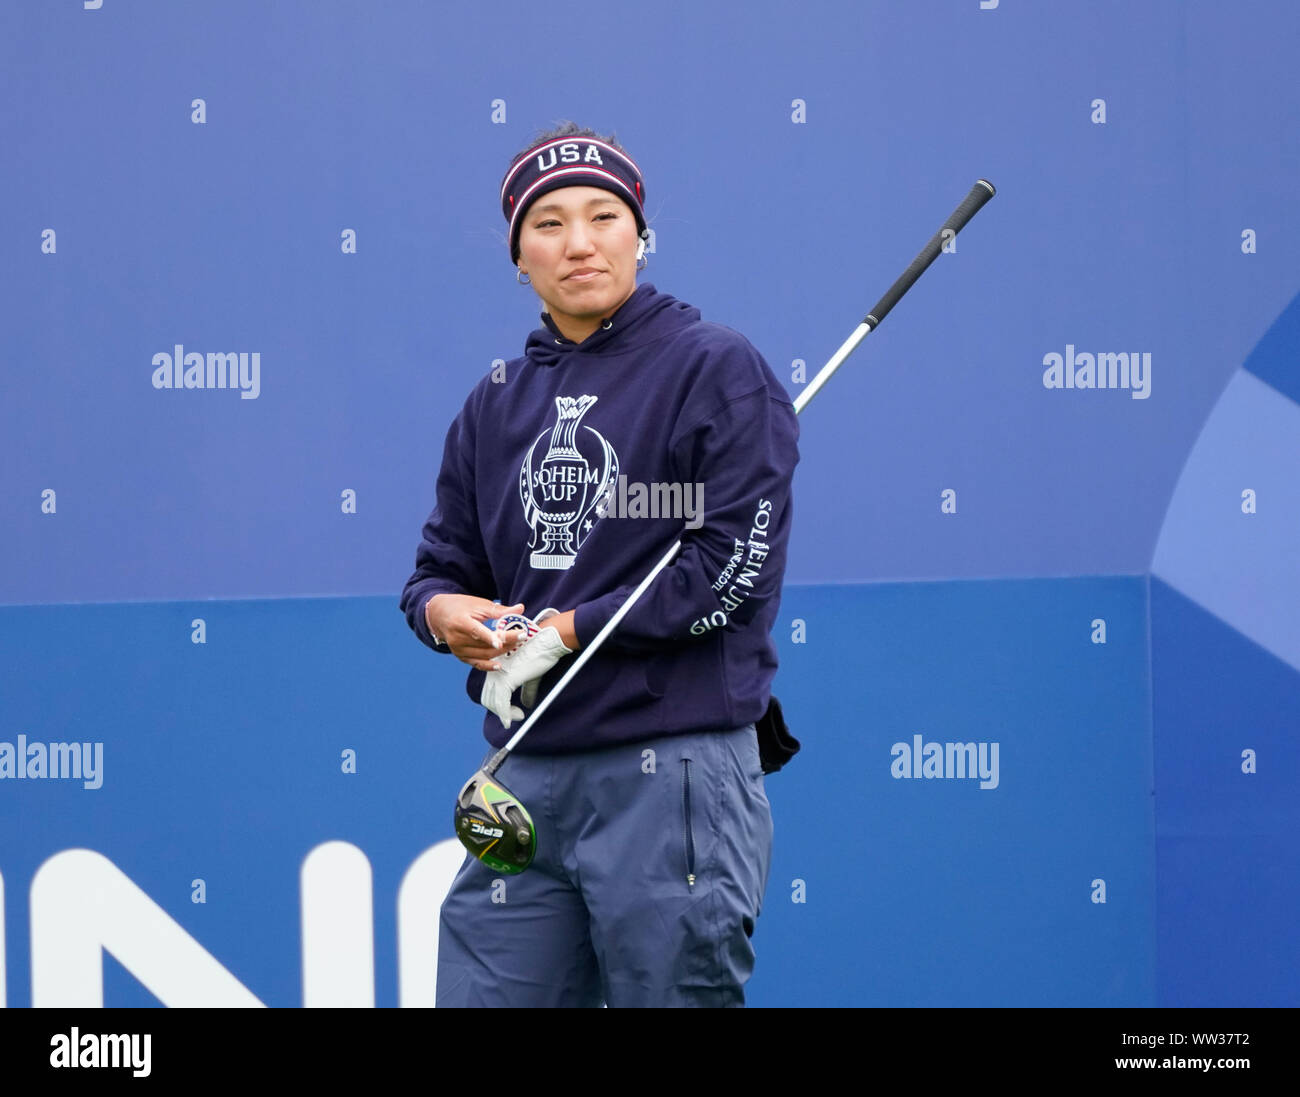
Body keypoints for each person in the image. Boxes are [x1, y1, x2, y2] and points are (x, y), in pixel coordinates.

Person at [399, 122, 800, 1007]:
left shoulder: (715, 367)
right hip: (526, 779)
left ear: (639, 234)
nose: (578, 243)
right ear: (518, 257)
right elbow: (436, 570)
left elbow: (731, 569)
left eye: (602, 215)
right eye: (547, 223)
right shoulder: (495, 401)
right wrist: (447, 615)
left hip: (674, 772)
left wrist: (569, 628)